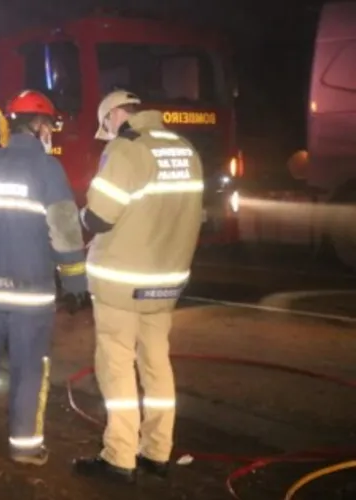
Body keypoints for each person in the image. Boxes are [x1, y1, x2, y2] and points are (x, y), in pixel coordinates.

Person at [72, 90, 205, 483]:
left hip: (122, 282)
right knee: (157, 364)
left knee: (116, 366)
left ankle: (119, 457)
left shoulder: (126, 149)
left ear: (115, 115)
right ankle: (157, 451)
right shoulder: (184, 149)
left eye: (106, 124)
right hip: (165, 282)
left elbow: (99, 216)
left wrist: (80, 216)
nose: (108, 132)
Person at [0, 90, 88, 466]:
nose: (51, 134)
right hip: (31, 296)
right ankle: (24, 446)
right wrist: (75, 283)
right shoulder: (48, 169)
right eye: (50, 128)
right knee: (28, 369)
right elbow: (66, 233)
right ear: (40, 126)